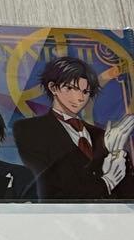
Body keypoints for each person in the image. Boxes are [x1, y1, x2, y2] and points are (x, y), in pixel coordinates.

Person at [12, 57, 134, 200]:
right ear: (53, 87)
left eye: (85, 91)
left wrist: (115, 152)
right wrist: (106, 181)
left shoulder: (101, 135)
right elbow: (53, 189)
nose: (80, 97)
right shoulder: (29, 129)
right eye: (71, 88)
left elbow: (128, 195)